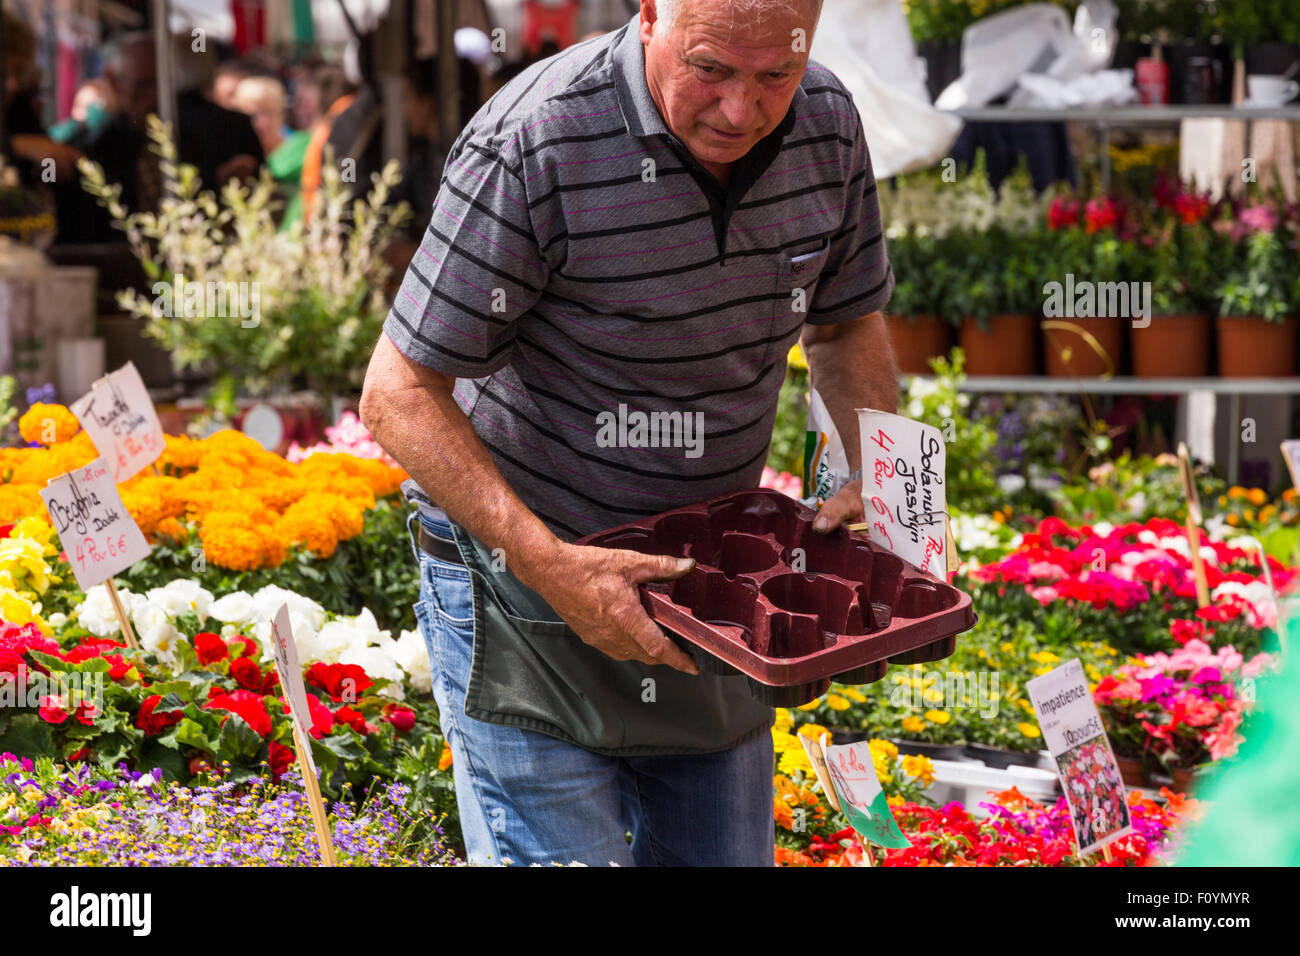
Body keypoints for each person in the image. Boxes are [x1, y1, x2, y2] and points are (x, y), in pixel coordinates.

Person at [360, 0, 897, 866]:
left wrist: (872, 465)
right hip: (523, 581)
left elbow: (843, 323)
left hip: (708, 582)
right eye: (711, 69)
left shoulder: (826, 127)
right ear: (649, 14)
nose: (739, 111)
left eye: (774, 76)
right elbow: (397, 392)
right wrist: (549, 564)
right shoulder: (539, 138)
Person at [232, 74, 311, 225]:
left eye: (268, 112)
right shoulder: (231, 156)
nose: (260, 123)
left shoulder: (303, 149)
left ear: (282, 113)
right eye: (251, 116)